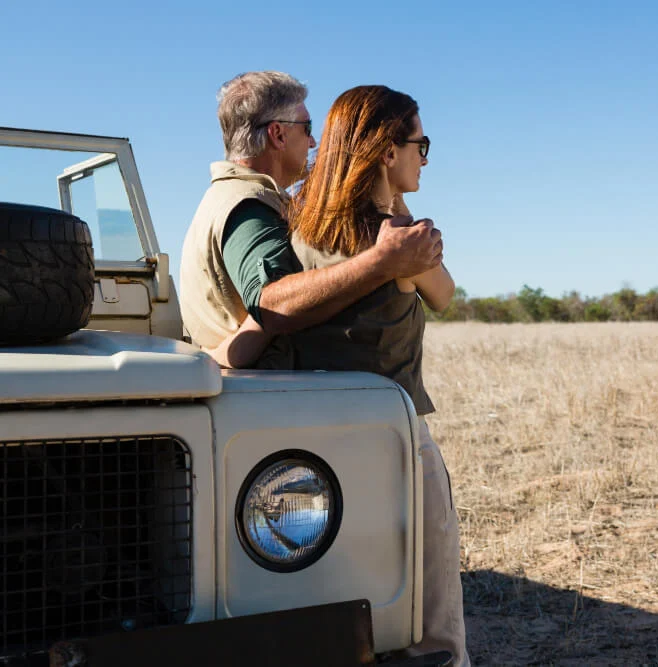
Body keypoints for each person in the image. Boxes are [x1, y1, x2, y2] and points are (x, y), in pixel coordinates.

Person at [284, 85, 467, 666]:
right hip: (398, 439)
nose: (425, 157)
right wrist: (404, 219)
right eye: (420, 143)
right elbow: (446, 295)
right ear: (388, 151)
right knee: (432, 617)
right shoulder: (401, 243)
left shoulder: (304, 227)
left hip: (315, 438)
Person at [179, 71, 442, 359]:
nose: (314, 142)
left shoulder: (229, 198)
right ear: (278, 134)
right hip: (265, 395)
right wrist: (383, 260)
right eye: (307, 128)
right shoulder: (248, 206)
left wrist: (213, 358)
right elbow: (271, 306)